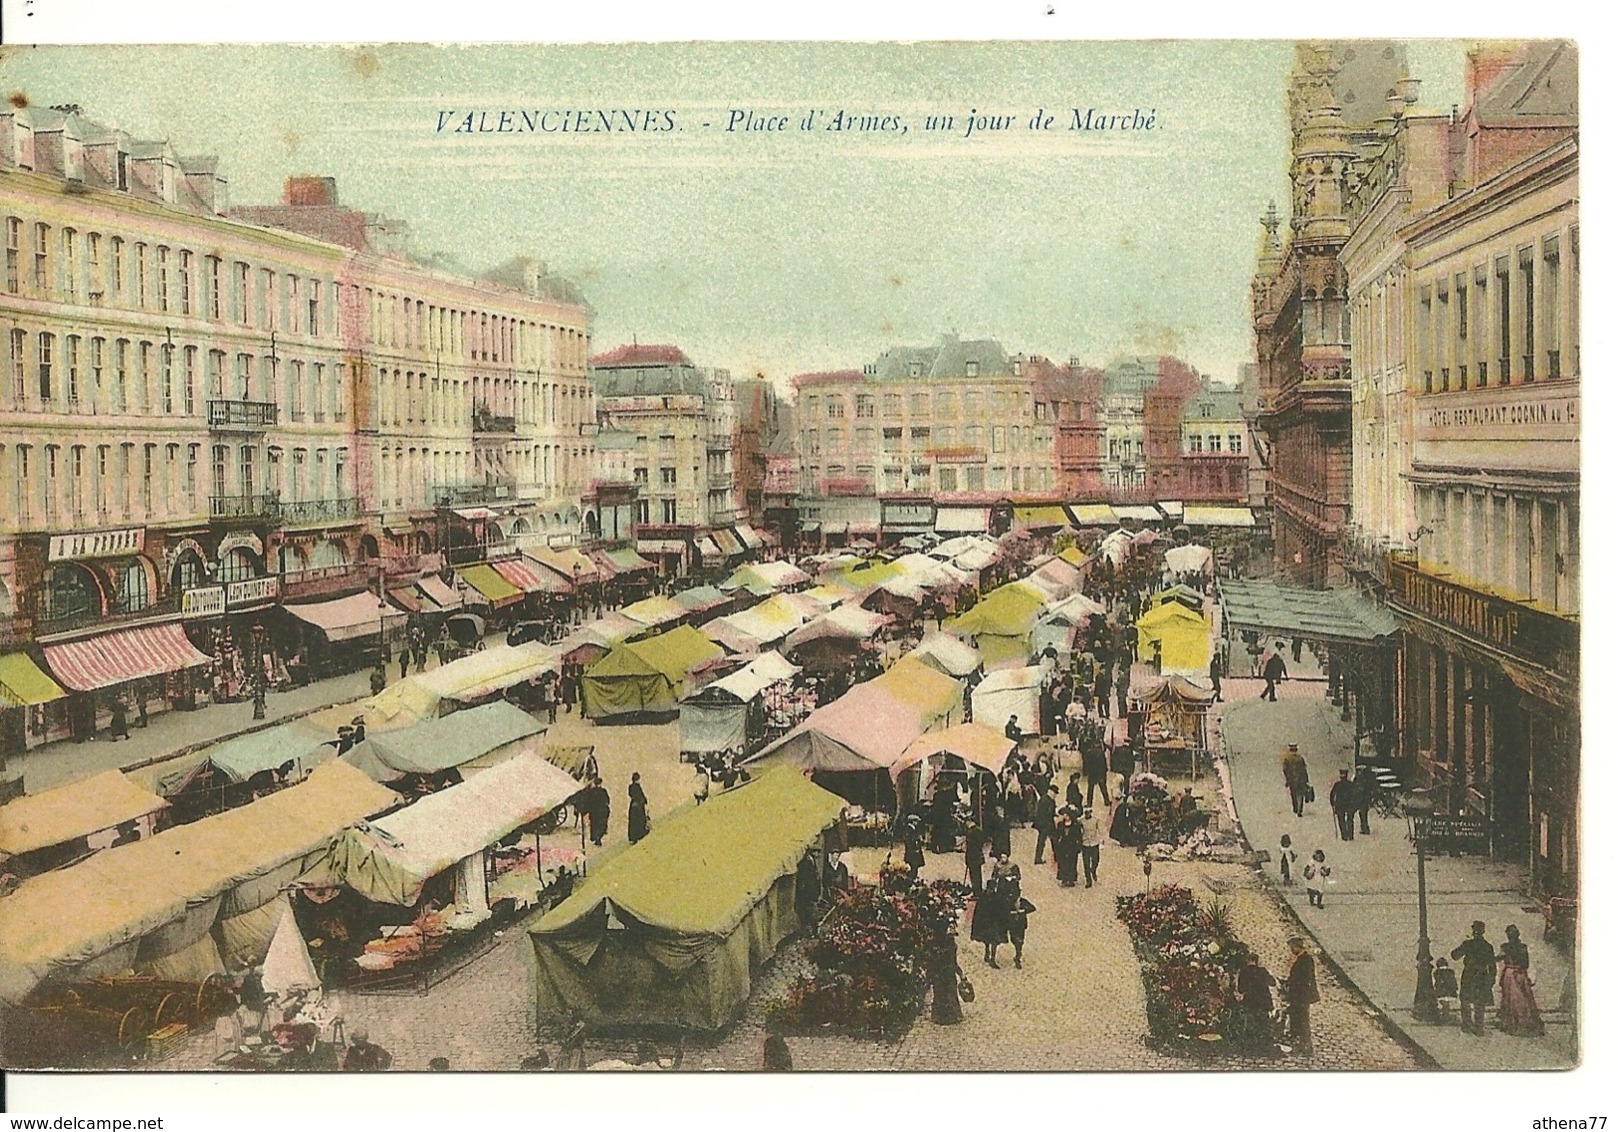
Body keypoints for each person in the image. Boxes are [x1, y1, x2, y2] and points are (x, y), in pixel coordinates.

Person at [1495, 924, 1544, 1035]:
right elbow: (1526, 963)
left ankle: (1512, 1023)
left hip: (1510, 974)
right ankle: (1524, 1021)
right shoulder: (1523, 947)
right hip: (1521, 974)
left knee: (1511, 998)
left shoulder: (1506, 947)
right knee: (1524, 997)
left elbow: (1498, 958)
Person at [1451, 921, 1497, 1035]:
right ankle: (1479, 1027)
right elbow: (1492, 965)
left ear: (1473, 931)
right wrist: (1491, 979)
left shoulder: (1468, 944)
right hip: (1481, 976)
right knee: (1479, 1003)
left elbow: (1454, 955)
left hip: (1469, 974)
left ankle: (1467, 1025)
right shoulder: (1488, 946)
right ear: (1483, 932)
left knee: (1465, 1000)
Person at [970, 859, 1008, 967]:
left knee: (990, 940)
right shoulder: (993, 897)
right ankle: (990, 957)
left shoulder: (984, 897)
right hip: (991, 922)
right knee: (992, 941)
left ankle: (989, 955)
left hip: (989, 922)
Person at [1283, 937, 1318, 1056]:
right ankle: (1300, 1047)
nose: (1291, 951)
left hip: (1301, 997)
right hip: (1299, 996)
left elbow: (1303, 980)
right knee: (1298, 1021)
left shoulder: (1305, 960)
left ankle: (1306, 1049)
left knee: (1302, 1022)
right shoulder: (1304, 959)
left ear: (1297, 947)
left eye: (1292, 948)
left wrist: (1290, 985)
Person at [1002, 868, 1035, 969]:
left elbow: (1032, 908)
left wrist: (1023, 911)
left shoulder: (1022, 902)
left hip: (1020, 924)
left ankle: (1018, 957)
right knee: (1014, 939)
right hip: (1012, 924)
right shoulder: (1008, 903)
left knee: (1019, 942)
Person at [1237, 953, 1276, 1024]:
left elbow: (1240, 990)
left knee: (1251, 1024)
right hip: (1264, 1002)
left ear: (1247, 960)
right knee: (1263, 1024)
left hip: (1250, 1002)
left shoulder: (1243, 972)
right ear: (1257, 961)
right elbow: (1273, 983)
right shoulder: (1263, 971)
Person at [795, 850, 821, 931]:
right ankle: (810, 929)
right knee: (809, 911)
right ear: (812, 852)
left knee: (811, 910)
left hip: (812, 891)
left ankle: (812, 929)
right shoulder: (805, 862)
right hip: (807, 891)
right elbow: (803, 878)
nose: (818, 854)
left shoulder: (812, 860)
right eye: (817, 852)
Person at [1281, 743, 1310, 818]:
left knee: (1293, 794)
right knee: (1300, 794)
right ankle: (1300, 809)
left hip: (1292, 780)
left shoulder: (1287, 759)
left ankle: (1295, 807)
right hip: (1301, 780)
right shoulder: (1300, 758)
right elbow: (1304, 769)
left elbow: (1285, 770)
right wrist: (1306, 779)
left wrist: (1287, 779)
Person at [1079, 806, 1105, 887]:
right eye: (1085, 813)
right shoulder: (1081, 821)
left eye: (1088, 812)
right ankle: (1088, 880)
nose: (1087, 814)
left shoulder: (1096, 820)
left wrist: (1102, 840)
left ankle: (1093, 870)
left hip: (1094, 843)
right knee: (1086, 863)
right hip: (1085, 844)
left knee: (1095, 860)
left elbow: (1101, 831)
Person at [1329, 769, 1357, 842]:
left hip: (1340, 805)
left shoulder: (1337, 785)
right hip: (1349, 804)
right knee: (1349, 820)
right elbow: (1355, 795)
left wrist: (1332, 804)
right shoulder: (1351, 784)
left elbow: (1332, 795)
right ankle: (1350, 835)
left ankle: (1344, 835)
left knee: (1341, 820)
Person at [1032, 786, 1057, 866]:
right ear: (1050, 792)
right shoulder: (1048, 801)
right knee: (1053, 840)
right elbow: (1046, 813)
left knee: (1042, 841)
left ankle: (1038, 858)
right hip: (1047, 824)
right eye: (1055, 793)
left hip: (1043, 824)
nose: (1055, 795)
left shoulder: (1043, 799)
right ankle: (1057, 856)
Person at [963, 820, 986, 897]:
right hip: (975, 856)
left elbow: (972, 846)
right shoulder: (976, 830)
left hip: (974, 856)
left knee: (975, 875)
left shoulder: (973, 832)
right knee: (976, 874)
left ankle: (977, 891)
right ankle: (976, 890)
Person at [586, 777, 610, 847]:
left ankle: (596, 837)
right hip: (602, 810)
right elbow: (607, 800)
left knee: (594, 824)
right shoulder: (603, 791)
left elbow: (589, 802)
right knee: (601, 824)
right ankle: (599, 837)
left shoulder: (591, 792)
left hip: (594, 811)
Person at [1353, 764, 1378, 835]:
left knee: (1362, 813)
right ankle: (1364, 827)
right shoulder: (1368, 779)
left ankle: (1365, 828)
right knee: (1363, 813)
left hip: (1362, 798)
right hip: (1365, 798)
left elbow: (1355, 786)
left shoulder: (1361, 779)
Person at [626, 773, 649, 844]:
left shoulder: (630, 787)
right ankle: (640, 833)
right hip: (639, 805)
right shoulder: (638, 787)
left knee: (633, 821)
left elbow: (630, 794)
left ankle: (633, 837)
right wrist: (644, 800)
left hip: (633, 805)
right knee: (640, 819)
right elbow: (641, 795)